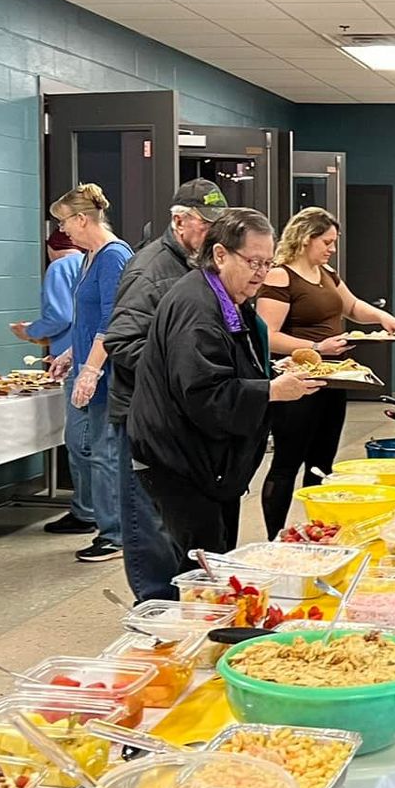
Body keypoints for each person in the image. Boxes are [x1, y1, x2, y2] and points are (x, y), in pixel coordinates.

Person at [129, 208, 323, 554]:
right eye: (253, 262)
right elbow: (204, 393)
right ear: (220, 254)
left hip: (204, 459)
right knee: (203, 564)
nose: (262, 274)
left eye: (268, 264)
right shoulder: (198, 310)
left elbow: (229, 361)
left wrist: (272, 372)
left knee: (219, 554)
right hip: (179, 459)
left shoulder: (228, 296)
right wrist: (271, 391)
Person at [103, 178, 227, 600]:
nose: (214, 235)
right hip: (143, 416)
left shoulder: (195, 264)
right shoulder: (149, 270)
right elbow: (121, 341)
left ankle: (181, 598)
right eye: (206, 225)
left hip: (177, 414)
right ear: (180, 221)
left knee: (177, 516)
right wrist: (179, 372)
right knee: (147, 519)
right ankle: (152, 606)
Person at [257, 207, 395, 536]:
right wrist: (316, 349)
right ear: (305, 239)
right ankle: (274, 536)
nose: (332, 248)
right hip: (298, 383)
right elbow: (267, 334)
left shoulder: (326, 273)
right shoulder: (280, 276)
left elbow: (353, 307)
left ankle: (317, 530)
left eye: (334, 242)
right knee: (287, 463)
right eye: (326, 241)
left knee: (322, 462)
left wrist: (386, 320)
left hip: (333, 380)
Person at [45, 184, 133, 564]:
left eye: (65, 222)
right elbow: (85, 318)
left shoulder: (114, 256)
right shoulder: (88, 257)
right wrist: (69, 354)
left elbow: (112, 319)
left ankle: (114, 534)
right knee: (83, 445)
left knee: (104, 451)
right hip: (85, 363)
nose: (64, 231)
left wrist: (92, 369)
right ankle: (97, 516)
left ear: (82, 219)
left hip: (106, 371)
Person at [10, 231, 89, 534]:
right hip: (87, 356)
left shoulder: (59, 267)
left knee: (78, 440)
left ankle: (86, 511)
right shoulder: (90, 262)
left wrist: (30, 331)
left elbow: (59, 316)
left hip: (72, 364)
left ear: (50, 249)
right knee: (93, 441)